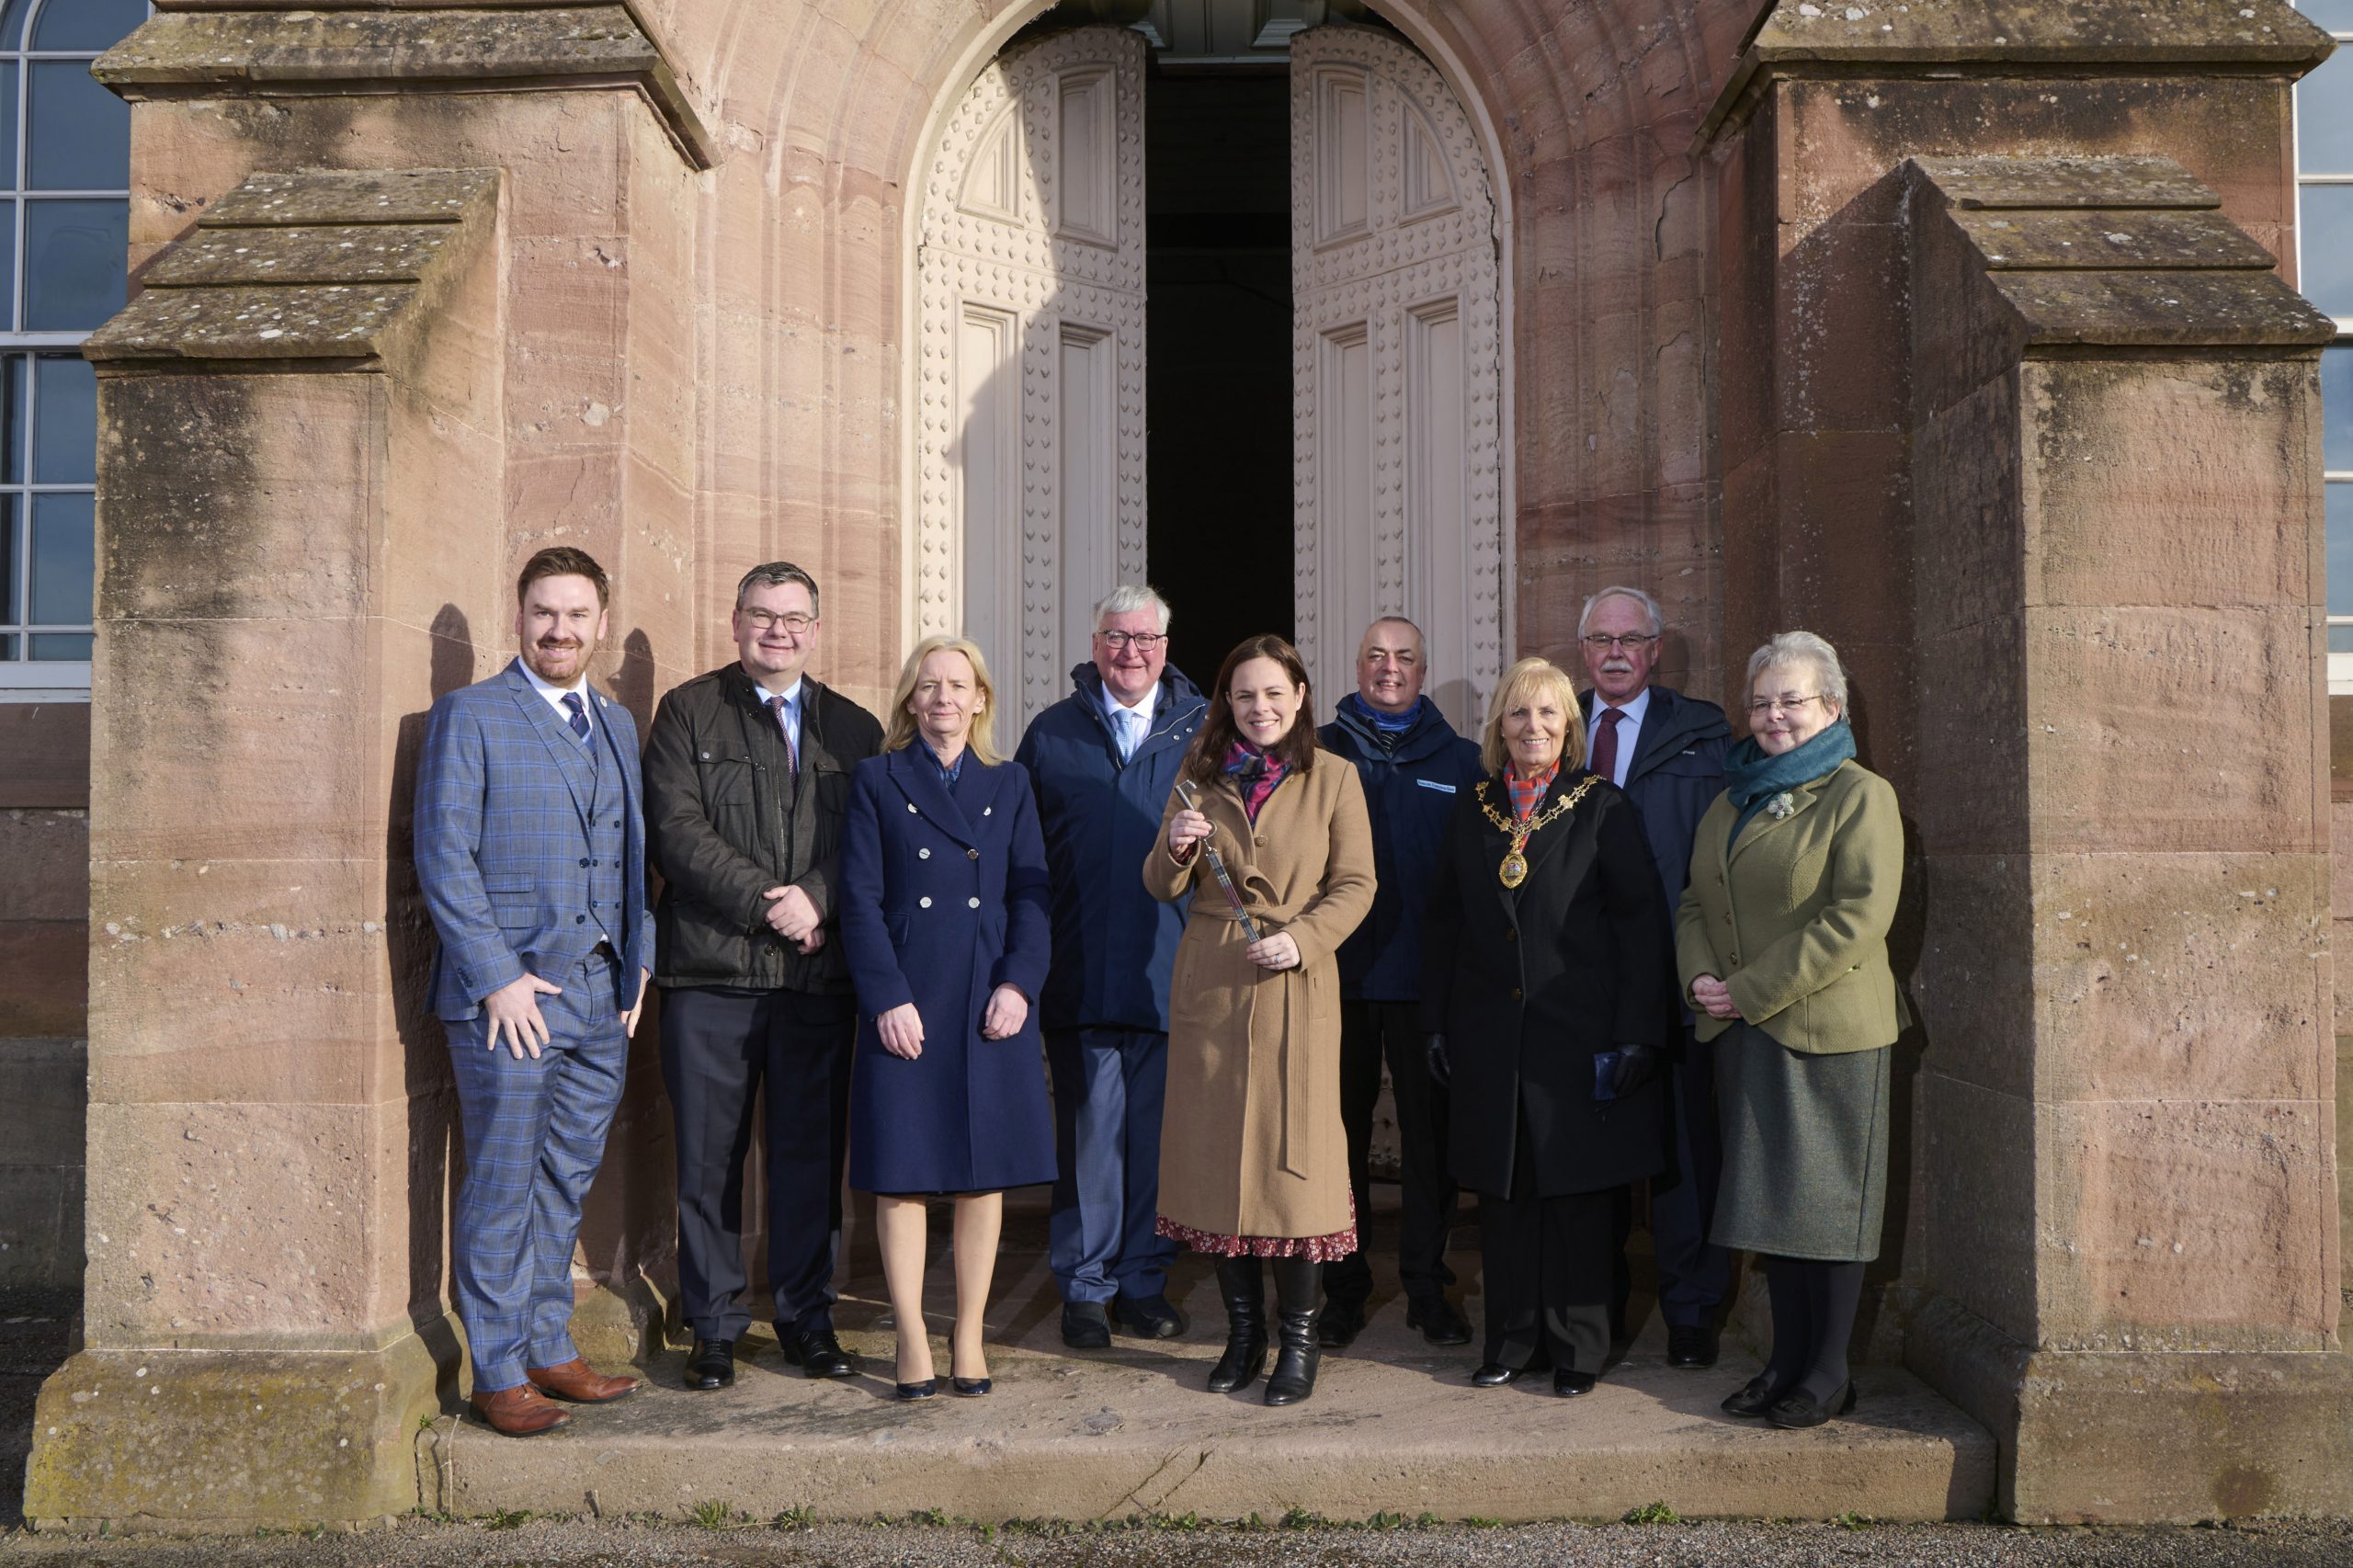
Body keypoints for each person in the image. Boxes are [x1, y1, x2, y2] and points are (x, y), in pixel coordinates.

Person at [415, 547, 654, 1437]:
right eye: (544, 612)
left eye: (576, 614)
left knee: (566, 1177)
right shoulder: (469, 715)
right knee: (504, 1182)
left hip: (601, 995)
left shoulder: (619, 724)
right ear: (518, 618)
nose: (560, 629)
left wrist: (639, 962)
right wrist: (496, 977)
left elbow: (631, 855)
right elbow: (443, 856)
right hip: (508, 999)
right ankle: (499, 1366)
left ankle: (550, 1342)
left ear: (598, 622)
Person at [642, 562, 883, 1392]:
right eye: (761, 615)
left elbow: (869, 842)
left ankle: (807, 1321)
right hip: (710, 974)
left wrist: (815, 899)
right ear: (735, 621)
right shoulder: (688, 709)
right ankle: (712, 1327)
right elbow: (675, 829)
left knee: (808, 1161)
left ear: (815, 631)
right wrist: (763, 901)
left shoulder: (854, 728)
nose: (777, 631)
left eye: (792, 618)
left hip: (816, 981)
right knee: (708, 1162)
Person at [1420, 656, 1673, 1397]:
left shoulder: (1602, 806)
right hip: (1490, 1039)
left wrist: (1638, 1035)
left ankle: (1578, 1351)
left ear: (1570, 728)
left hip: (1579, 1036)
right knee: (1506, 1199)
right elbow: (1444, 925)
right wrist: (1436, 1022)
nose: (1533, 727)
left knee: (1578, 1201)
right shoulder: (1473, 807)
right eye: (1519, 714)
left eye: (1549, 715)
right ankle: (1512, 1341)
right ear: (1499, 726)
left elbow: (1639, 928)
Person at [1677, 631, 1904, 1430]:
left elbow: (1858, 917)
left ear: (1831, 708)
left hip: (1829, 1029)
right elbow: (1697, 901)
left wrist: (1744, 990)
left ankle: (1829, 1372)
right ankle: (1783, 1361)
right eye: (1762, 702)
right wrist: (1701, 978)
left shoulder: (1859, 794)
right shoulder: (1728, 798)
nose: (1773, 716)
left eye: (1792, 701)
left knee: (1829, 1212)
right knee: (1776, 1208)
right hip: (1745, 1029)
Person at [1146, 635, 1373, 1406]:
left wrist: (1302, 940)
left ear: (1301, 695)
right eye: (1245, 696)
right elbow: (1157, 883)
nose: (1260, 708)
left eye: (1274, 693)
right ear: (1227, 704)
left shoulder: (1336, 776)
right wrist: (1176, 848)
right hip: (1212, 983)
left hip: (1296, 987)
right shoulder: (1197, 776)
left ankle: (1298, 1343)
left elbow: (1357, 884)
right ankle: (1242, 1335)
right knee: (1216, 1165)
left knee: (1292, 1165)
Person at [838, 636, 1054, 1399]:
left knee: (979, 1174)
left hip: (986, 995)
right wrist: (885, 997)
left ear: (981, 699)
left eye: (957, 686)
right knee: (901, 1175)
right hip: (909, 994)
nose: (943, 700)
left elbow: (1030, 892)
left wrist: (1020, 984)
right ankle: (909, 1335)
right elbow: (857, 899)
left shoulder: (1011, 782)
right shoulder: (877, 778)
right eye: (929, 686)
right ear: (910, 700)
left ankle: (968, 1331)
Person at [1015, 586, 1209, 1349]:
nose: (1130, 652)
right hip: (1082, 969)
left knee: (1157, 1140)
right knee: (1091, 1136)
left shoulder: (1205, 733)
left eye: (1145, 639)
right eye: (1115, 638)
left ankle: (1143, 1283)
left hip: (1174, 972)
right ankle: (1087, 1290)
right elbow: (1024, 858)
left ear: (1166, 644)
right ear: (1094, 645)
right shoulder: (1052, 733)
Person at [1575, 586, 1733, 1369]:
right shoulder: (1554, 727)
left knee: (1684, 1155)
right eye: (1601, 639)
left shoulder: (1705, 733)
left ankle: (1693, 1313)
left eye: (1630, 639)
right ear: (1583, 652)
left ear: (1656, 649)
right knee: (1593, 1154)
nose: (1615, 652)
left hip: (1679, 979)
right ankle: (1592, 1319)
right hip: (1584, 985)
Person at [1314, 617, 1483, 1349]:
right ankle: (1342, 1288)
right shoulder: (1315, 751)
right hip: (1334, 981)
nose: (1390, 668)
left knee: (1431, 1144)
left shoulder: (1466, 760)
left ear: (1422, 669)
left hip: (1428, 984)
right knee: (1335, 1142)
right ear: (1356, 666)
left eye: (1404, 658)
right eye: (1376, 656)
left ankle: (1426, 1286)